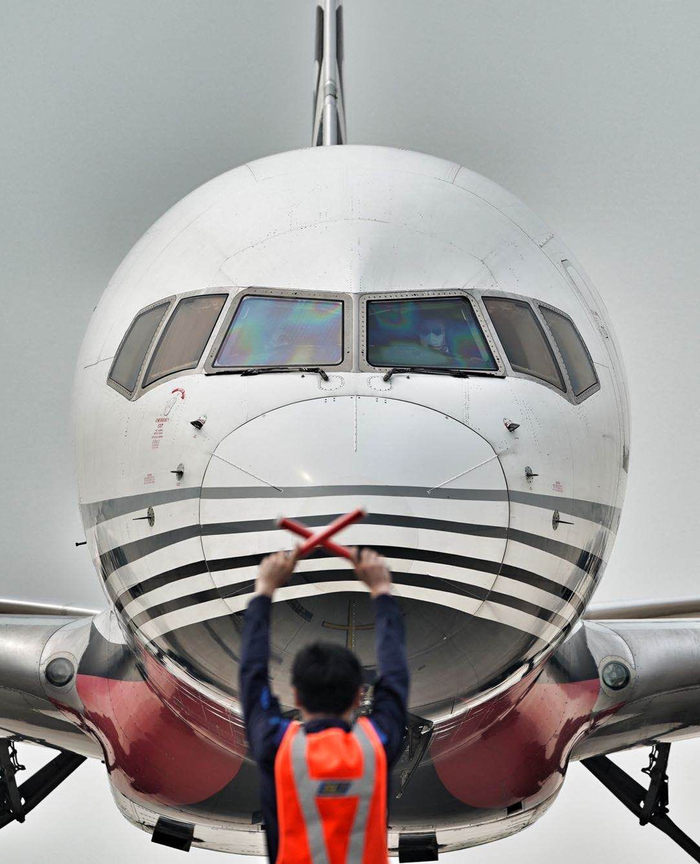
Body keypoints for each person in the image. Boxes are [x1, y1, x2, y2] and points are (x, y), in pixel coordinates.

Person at [240, 547, 409, 863]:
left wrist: (264, 591)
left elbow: (252, 675)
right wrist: (381, 590)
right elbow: (396, 676)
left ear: (296, 696)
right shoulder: (374, 745)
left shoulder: (277, 744)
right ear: (359, 696)